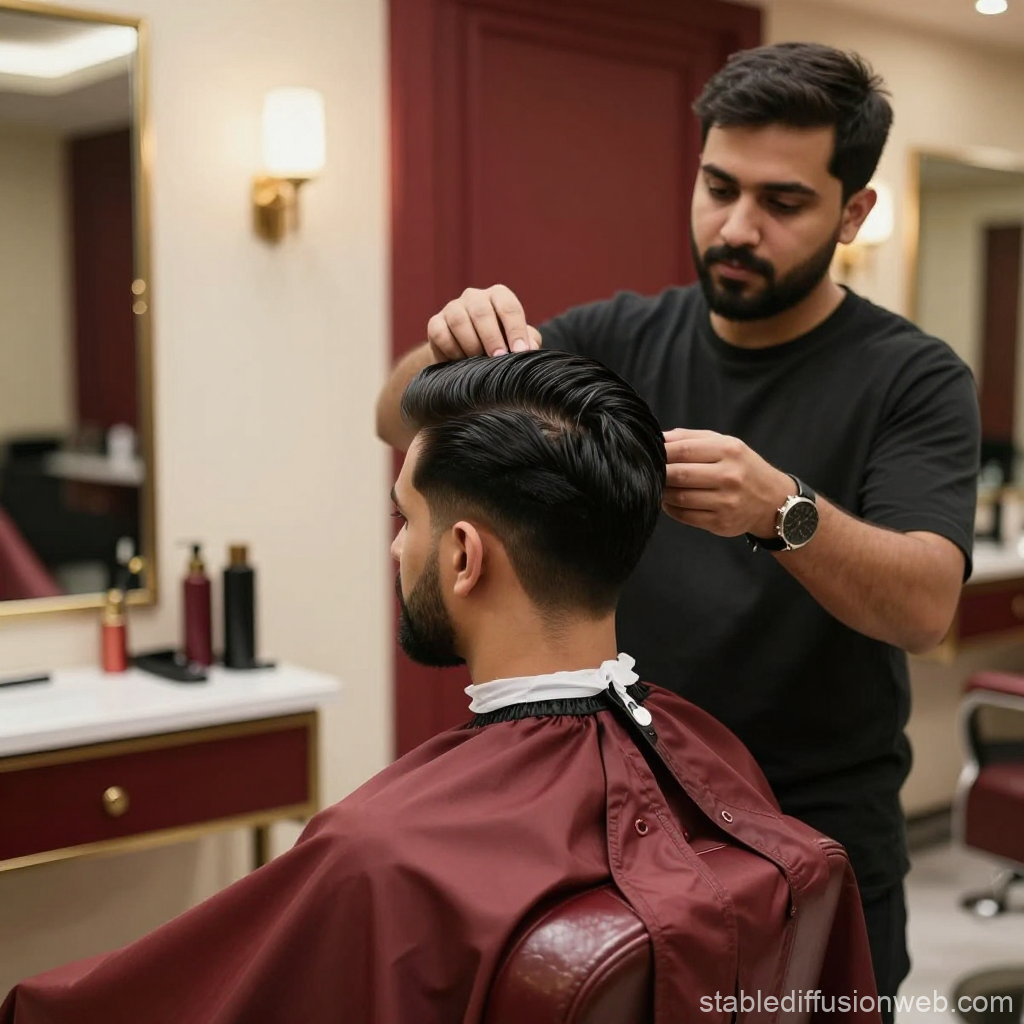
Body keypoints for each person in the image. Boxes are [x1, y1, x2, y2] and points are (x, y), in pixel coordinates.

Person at [375, 42, 981, 1019]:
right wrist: (445, 346)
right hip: (627, 831)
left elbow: (925, 606)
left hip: (814, 851)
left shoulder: (912, 378)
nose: (736, 227)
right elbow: (395, 416)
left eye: (782, 202)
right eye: (718, 187)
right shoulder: (616, 338)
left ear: (853, 212)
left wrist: (783, 512)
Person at [2, 352, 880, 1023]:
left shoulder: (373, 852)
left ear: (463, 556)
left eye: (405, 517)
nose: (395, 546)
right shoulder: (713, 757)